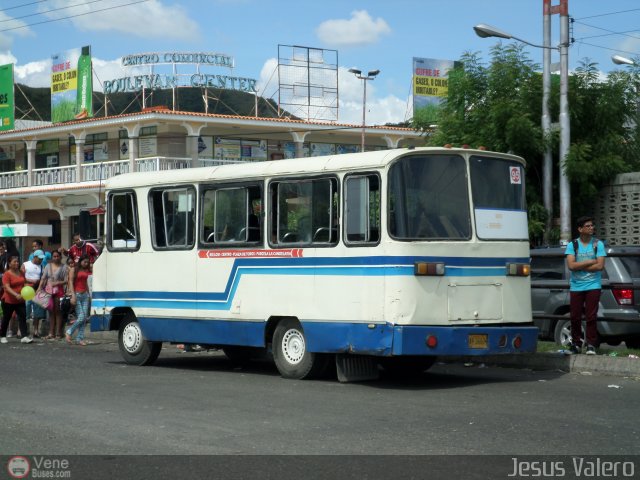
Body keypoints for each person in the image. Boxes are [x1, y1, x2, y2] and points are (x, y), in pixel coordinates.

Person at [565, 216, 606, 355]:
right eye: (588, 226)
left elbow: (600, 266)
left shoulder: (598, 244)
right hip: (576, 285)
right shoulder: (573, 245)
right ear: (580, 229)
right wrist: (590, 261)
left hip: (593, 284)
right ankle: (576, 344)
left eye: (592, 225)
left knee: (591, 316)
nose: (591, 228)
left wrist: (580, 266)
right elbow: (571, 265)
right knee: (575, 316)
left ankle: (591, 345)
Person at [0, 255, 33, 344]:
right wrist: (16, 294)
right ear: (9, 264)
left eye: (17, 261)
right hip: (8, 300)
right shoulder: (7, 274)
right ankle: (3, 335)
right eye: (14, 261)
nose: (17, 263)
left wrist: (29, 288)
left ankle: (24, 336)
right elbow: (6, 287)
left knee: (22, 317)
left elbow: (24, 282)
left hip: (20, 300)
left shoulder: (21, 272)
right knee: (6, 318)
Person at [38, 250, 69, 340]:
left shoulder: (64, 267)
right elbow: (43, 278)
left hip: (59, 290)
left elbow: (66, 280)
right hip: (48, 290)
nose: (56, 258)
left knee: (58, 312)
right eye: (54, 256)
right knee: (51, 312)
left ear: (60, 257)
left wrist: (58, 282)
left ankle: (58, 333)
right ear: (51, 257)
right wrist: (39, 288)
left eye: (57, 256)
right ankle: (51, 333)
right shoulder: (48, 266)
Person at [65, 255, 92, 346]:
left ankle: (79, 338)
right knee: (81, 317)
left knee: (84, 319)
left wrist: (89, 294)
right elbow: (71, 282)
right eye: (85, 262)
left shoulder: (86, 270)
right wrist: (73, 295)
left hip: (85, 295)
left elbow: (85, 283)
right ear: (80, 261)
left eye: (87, 262)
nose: (86, 263)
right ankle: (69, 332)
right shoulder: (74, 269)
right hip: (76, 294)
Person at [21, 250, 46, 338]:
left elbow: (44, 278)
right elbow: (21, 277)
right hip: (27, 289)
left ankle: (35, 331)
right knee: (25, 310)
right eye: (39, 259)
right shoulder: (26, 264)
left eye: (42, 259)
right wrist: (30, 281)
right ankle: (21, 330)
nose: (41, 260)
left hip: (38, 290)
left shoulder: (42, 266)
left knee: (38, 312)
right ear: (35, 257)